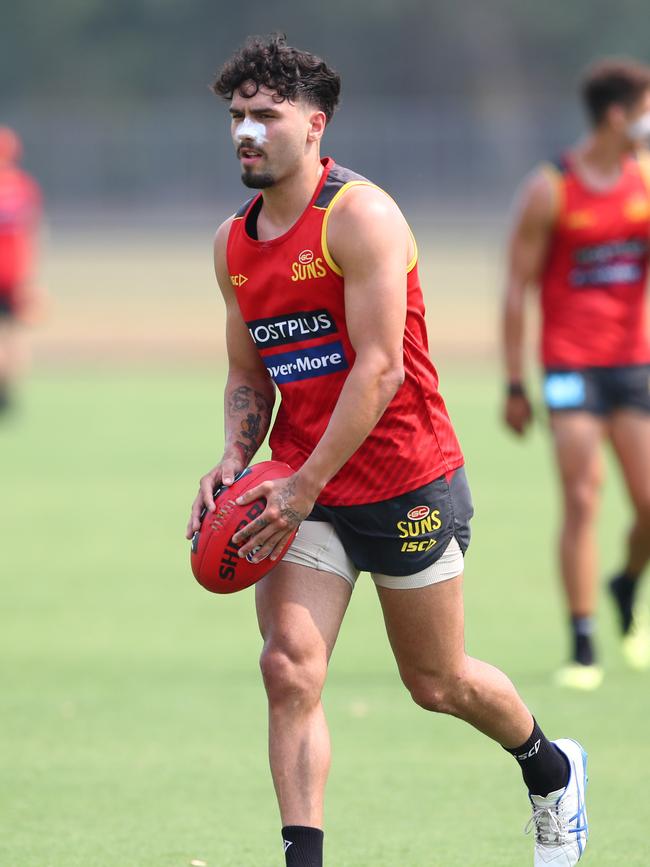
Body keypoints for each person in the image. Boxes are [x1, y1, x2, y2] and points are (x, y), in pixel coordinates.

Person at [187, 34, 588, 866]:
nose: (246, 133)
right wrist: (235, 454)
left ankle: (552, 769)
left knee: (438, 682)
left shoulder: (360, 215)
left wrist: (301, 484)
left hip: (405, 479)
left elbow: (379, 368)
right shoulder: (234, 244)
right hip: (304, 484)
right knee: (289, 668)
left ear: (315, 124)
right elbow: (248, 372)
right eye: (236, 116)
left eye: (266, 116)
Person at [502, 58, 650, 691]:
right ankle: (584, 643)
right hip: (570, 366)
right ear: (619, 115)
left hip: (633, 363)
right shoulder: (551, 187)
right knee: (583, 495)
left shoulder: (645, 181)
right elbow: (516, 288)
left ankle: (625, 583)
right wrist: (514, 382)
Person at [0, 126, 43, 413]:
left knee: (15, 336)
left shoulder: (24, 187)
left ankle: (7, 392)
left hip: (13, 278)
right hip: (16, 276)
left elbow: (33, 233)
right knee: (13, 337)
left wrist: (31, 280)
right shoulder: (24, 186)